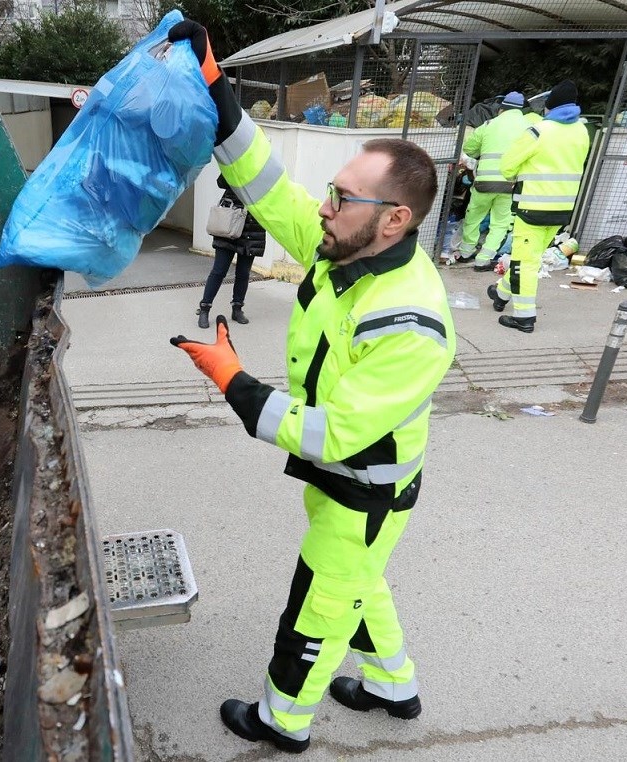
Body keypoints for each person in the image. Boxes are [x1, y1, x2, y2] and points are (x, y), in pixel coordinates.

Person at [165, 19, 456, 754]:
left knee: (319, 606)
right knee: (363, 583)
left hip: (364, 485)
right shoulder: (343, 246)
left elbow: (335, 433)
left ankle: (282, 721)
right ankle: (396, 685)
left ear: (395, 218)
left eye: (343, 197)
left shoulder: (410, 323)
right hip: (347, 484)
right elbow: (267, 187)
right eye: (331, 192)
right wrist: (216, 92)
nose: (324, 207)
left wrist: (234, 382)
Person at [489, 79, 591, 333]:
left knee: (526, 263)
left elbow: (507, 167)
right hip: (561, 210)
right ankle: (501, 294)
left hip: (531, 209)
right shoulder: (582, 132)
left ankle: (524, 317)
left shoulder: (539, 131)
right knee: (529, 257)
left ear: (549, 105)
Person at [453, 91, 539, 270]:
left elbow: (469, 148)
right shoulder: (529, 127)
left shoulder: (489, 124)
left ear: (501, 109)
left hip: (483, 182)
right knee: (500, 222)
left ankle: (466, 252)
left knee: (474, 216)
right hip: (510, 184)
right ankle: (483, 259)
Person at [197, 175, 267, 328]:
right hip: (229, 223)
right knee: (219, 271)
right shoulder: (235, 163)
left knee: (243, 273)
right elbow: (221, 182)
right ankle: (204, 308)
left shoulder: (265, 170)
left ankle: (237, 309)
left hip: (252, 228)